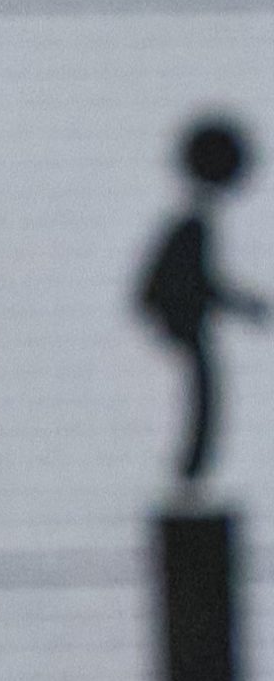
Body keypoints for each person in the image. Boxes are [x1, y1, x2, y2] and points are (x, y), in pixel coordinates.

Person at [139, 117, 264, 485]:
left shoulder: (194, 224)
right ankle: (190, 472)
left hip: (184, 321)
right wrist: (244, 306)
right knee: (204, 394)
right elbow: (197, 281)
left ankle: (191, 472)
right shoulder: (193, 226)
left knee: (204, 394)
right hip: (183, 321)